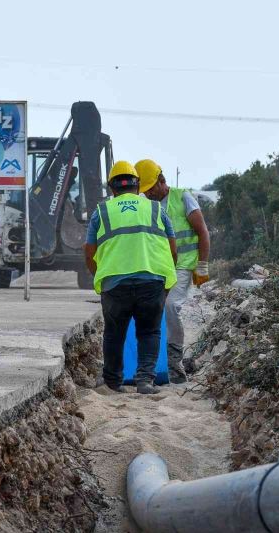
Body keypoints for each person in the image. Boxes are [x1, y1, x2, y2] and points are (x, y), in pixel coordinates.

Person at [83, 161, 177, 394]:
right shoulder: (156, 210)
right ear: (137, 186)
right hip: (152, 281)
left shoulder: (101, 212)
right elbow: (172, 250)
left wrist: (101, 278)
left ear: (112, 188)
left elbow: (89, 252)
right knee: (149, 331)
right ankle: (145, 381)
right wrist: (164, 283)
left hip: (115, 285)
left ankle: (113, 382)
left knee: (114, 334)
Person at [135, 159, 211, 384]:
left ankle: (175, 363)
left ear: (161, 181)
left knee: (170, 306)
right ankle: (156, 361)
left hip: (183, 265)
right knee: (153, 309)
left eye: (150, 189)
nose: (147, 194)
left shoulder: (183, 197)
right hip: (159, 266)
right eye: (144, 191)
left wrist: (203, 264)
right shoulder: (147, 204)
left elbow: (203, 231)